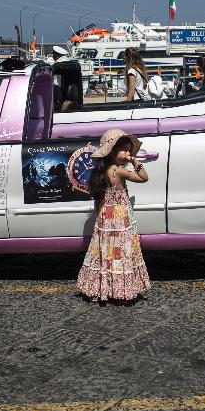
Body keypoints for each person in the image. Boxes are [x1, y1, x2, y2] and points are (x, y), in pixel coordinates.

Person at [77, 129, 151, 301]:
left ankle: (102, 288)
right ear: (112, 151)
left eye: (128, 151)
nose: (127, 153)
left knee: (105, 254)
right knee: (120, 254)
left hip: (105, 219)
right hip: (119, 219)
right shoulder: (118, 171)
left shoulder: (100, 172)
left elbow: (99, 201)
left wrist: (99, 219)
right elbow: (143, 177)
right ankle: (120, 292)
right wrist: (135, 161)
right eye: (124, 150)